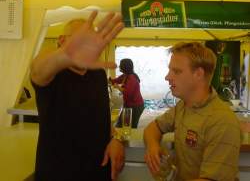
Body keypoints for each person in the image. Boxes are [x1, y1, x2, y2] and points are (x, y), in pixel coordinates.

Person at [30, 11, 125, 181]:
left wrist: (115, 138)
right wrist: (66, 55)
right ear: (62, 40)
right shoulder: (53, 73)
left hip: (99, 170)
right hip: (59, 173)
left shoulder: (97, 74)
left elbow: (101, 118)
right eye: (79, 40)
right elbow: (37, 69)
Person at [144, 42, 241, 181]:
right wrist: (153, 147)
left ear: (198, 74)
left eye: (176, 71)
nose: (167, 77)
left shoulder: (222, 121)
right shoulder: (184, 106)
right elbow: (153, 128)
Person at [109, 58, 144, 128]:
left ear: (124, 67)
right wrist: (108, 80)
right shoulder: (125, 75)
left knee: (130, 126)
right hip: (128, 104)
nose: (119, 66)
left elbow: (127, 92)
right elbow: (116, 80)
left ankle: (130, 138)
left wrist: (117, 87)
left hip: (136, 106)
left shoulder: (132, 78)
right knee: (122, 124)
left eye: (120, 65)